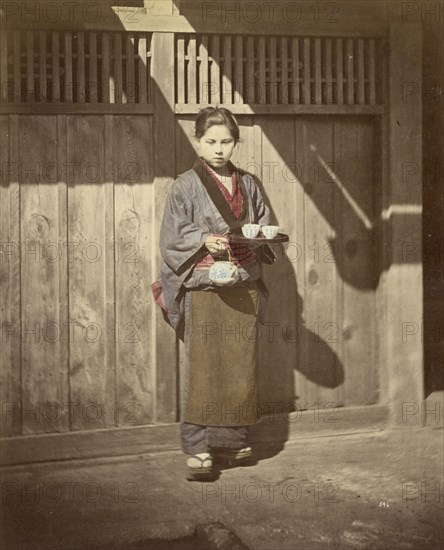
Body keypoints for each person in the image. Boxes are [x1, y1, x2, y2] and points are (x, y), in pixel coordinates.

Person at [156, 106, 276, 480]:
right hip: (204, 286)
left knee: (241, 367)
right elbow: (174, 238)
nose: (219, 149)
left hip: (241, 282)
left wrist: (254, 237)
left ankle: (233, 441)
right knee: (204, 369)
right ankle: (197, 446)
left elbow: (265, 226)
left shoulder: (250, 183)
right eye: (211, 141)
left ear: (235, 142)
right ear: (198, 141)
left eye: (226, 141)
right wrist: (205, 241)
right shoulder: (185, 186)